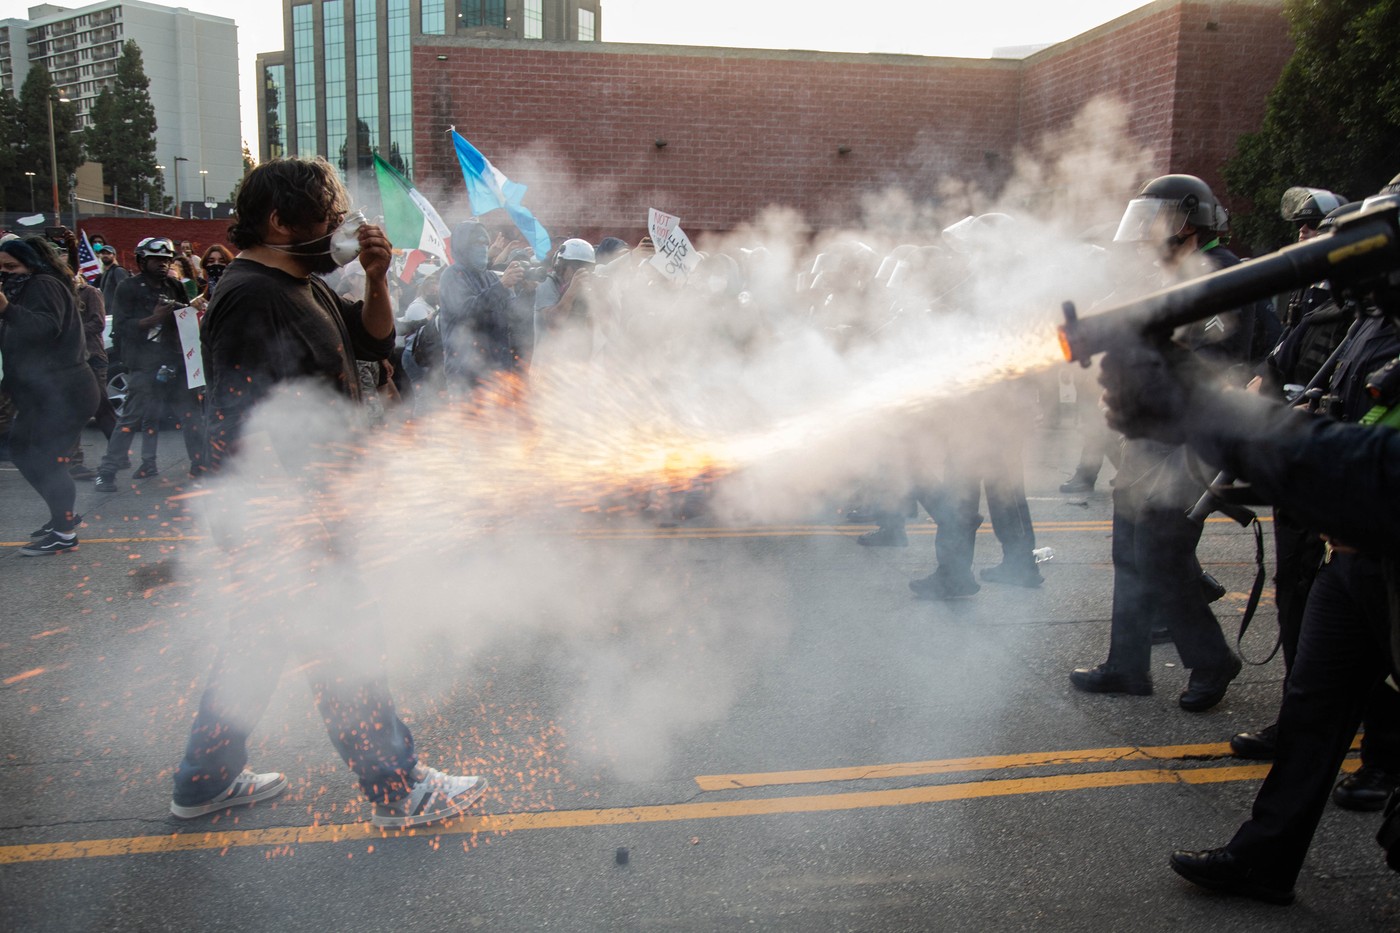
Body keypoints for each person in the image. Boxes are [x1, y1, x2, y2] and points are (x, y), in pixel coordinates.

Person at [1094, 191, 1400, 905]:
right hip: (1352, 552)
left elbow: (1381, 469)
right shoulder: (1366, 322)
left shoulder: (1228, 281)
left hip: (1379, 551)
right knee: (1311, 712)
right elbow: (1308, 395)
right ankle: (1265, 857)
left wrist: (1204, 409)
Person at [170, 156, 486, 829]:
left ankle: (203, 780)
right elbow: (240, 423)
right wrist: (298, 524)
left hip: (302, 509)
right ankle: (398, 788)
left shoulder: (302, 284)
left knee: (258, 643)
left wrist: (375, 277)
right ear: (279, 221)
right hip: (285, 515)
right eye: (328, 218)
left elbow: (373, 341)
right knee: (345, 641)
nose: (340, 228)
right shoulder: (250, 295)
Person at [1071, 175, 1250, 711]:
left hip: (1190, 443)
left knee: (1160, 554)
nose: (1147, 232)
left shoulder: (1223, 276)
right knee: (1129, 551)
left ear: (1189, 222)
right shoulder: (1166, 273)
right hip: (1149, 436)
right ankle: (1127, 665)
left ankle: (1211, 660)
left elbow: (1211, 364)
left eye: (1158, 219)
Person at [0, 237, 101, 555]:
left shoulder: (43, 284)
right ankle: (63, 515)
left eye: (12, 266)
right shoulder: (25, 289)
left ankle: (64, 533)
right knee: (21, 450)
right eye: (1, 267)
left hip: (65, 392)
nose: (5, 273)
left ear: (32, 264)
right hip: (43, 393)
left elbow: (45, 328)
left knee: (47, 459)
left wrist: (6, 309)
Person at [94, 237, 205, 489]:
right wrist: (153, 318)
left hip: (174, 360)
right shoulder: (128, 287)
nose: (162, 264)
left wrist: (187, 311)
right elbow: (121, 327)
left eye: (166, 260)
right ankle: (107, 472)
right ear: (142, 261)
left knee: (191, 417)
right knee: (131, 418)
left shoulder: (175, 285)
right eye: (156, 260)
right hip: (144, 364)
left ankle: (200, 465)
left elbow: (184, 321)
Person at [436, 221, 529, 396]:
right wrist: (501, 286)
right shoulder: (452, 275)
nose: (484, 248)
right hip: (465, 374)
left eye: (486, 243)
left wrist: (528, 292)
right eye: (478, 243)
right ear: (464, 246)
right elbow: (466, 312)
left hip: (496, 370)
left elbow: (514, 316)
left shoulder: (491, 277)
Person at [96, 244, 130, 312]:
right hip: (107, 312)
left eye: (108, 253)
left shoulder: (118, 270)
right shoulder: (105, 273)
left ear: (114, 256)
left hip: (117, 312)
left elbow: (126, 292)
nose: (105, 255)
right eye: (103, 253)